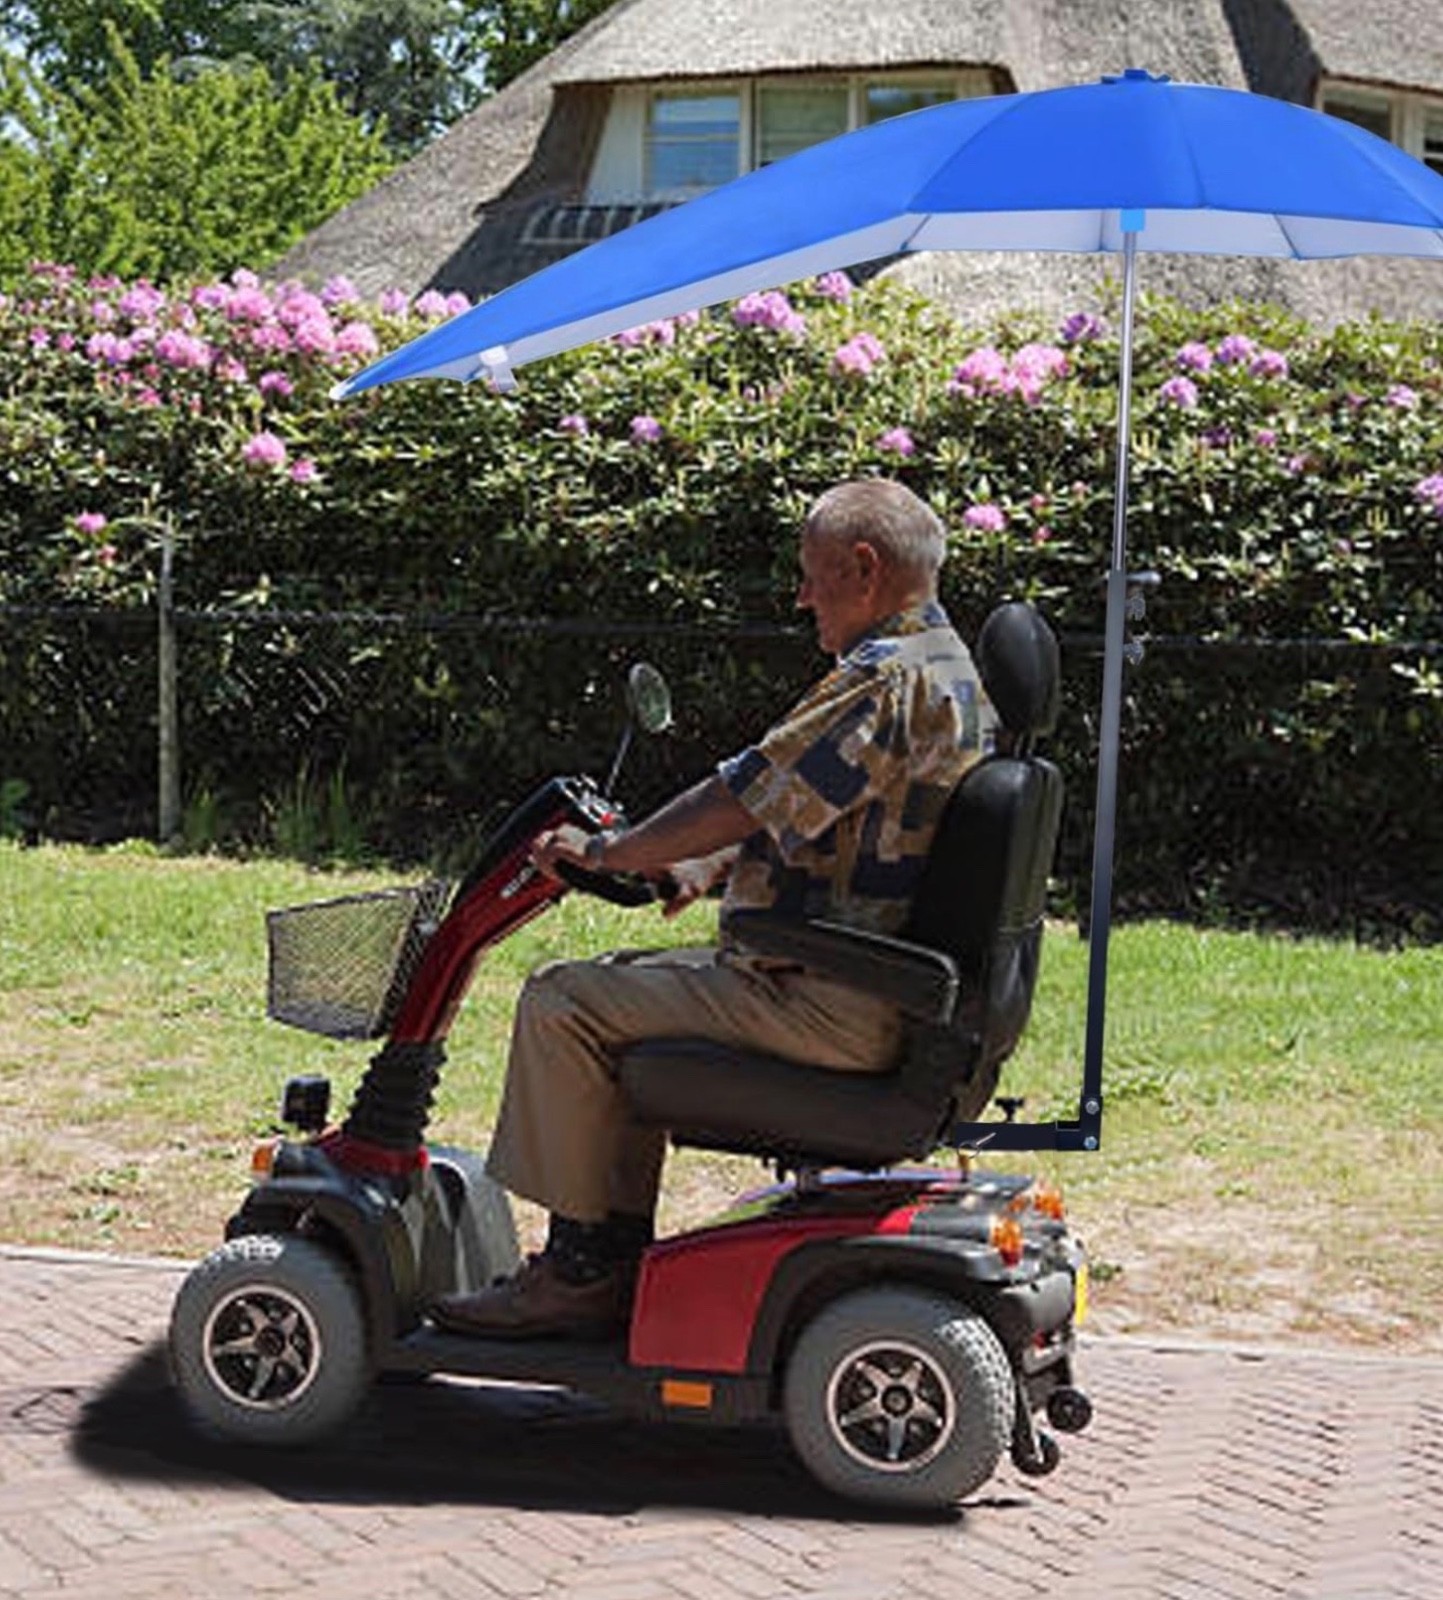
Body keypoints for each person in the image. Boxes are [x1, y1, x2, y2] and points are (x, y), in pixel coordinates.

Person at [431, 478, 996, 1339]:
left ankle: (581, 1272)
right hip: (878, 990)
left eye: (811, 574)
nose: (801, 595)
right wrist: (698, 864)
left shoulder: (881, 679)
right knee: (619, 1005)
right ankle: (609, 1262)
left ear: (863, 567)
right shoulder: (948, 671)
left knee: (564, 1000)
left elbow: (746, 790)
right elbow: (821, 807)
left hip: (827, 1000)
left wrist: (613, 852)